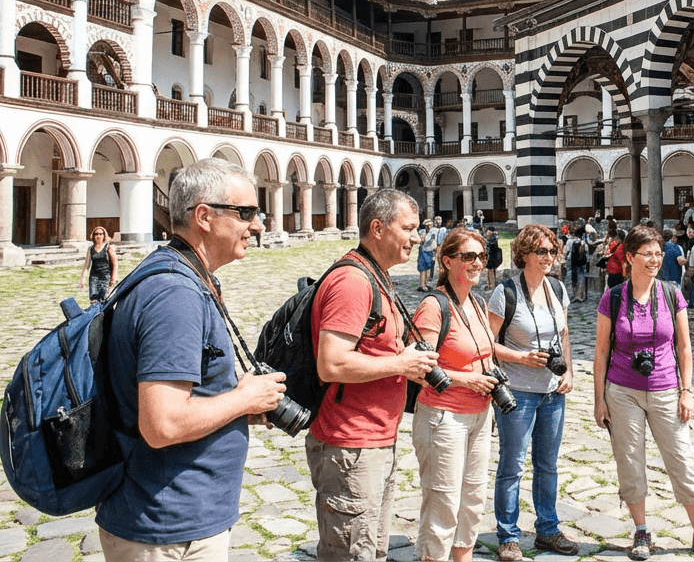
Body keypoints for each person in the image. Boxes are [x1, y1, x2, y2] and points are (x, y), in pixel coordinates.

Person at [96, 158, 288, 560]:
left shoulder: (182, 276)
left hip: (177, 517)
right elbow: (162, 423)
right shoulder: (175, 296)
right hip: (167, 526)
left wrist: (232, 407)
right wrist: (243, 399)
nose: (258, 225)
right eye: (246, 213)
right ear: (204, 216)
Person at [307, 188, 440, 561]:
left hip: (374, 440)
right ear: (378, 228)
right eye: (409, 228)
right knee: (351, 553)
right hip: (351, 444)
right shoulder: (354, 282)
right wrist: (401, 365)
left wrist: (403, 362)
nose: (417, 237)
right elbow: (331, 363)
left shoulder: (376, 274)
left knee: (372, 551)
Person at [593, 226, 694, 561]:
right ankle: (641, 531)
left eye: (658, 253)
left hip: (667, 388)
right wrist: (599, 399)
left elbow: (683, 347)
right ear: (629, 257)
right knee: (630, 461)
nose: (654, 259)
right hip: (622, 391)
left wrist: (687, 391)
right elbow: (600, 352)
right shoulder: (612, 298)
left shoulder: (671, 293)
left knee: (681, 459)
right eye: (647, 254)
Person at [487, 225, 579, 561]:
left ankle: (548, 530)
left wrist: (568, 369)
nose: (548, 257)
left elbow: (565, 332)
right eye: (541, 251)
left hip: (552, 392)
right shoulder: (505, 293)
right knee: (512, 465)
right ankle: (508, 536)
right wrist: (522, 358)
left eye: (552, 251)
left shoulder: (556, 288)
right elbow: (488, 344)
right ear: (524, 253)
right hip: (519, 392)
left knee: (548, 464)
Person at [412, 228, 499, 562]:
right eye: (468, 256)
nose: (477, 263)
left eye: (481, 256)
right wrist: (467, 381)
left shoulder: (476, 303)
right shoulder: (434, 307)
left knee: (473, 499)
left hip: (480, 415)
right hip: (444, 417)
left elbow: (484, 352)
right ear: (447, 261)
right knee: (443, 502)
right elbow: (420, 367)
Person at [79, 225, 117, 302]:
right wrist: (83, 278)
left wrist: (113, 278)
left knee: (104, 299)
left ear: (104, 235)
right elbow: (87, 265)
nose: (98, 236)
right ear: (93, 236)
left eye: (100, 234)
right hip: (94, 277)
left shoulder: (108, 247)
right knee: (93, 298)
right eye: (96, 234)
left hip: (105, 276)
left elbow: (115, 263)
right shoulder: (90, 249)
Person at [659, 229, 685, 294]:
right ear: (671, 237)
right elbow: (681, 262)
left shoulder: (658, 247)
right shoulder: (677, 248)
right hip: (674, 280)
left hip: (661, 280)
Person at [418, 218, 439, 291]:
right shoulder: (423, 231)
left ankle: (426, 284)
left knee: (429, 268)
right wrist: (422, 238)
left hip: (430, 251)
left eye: (430, 225)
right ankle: (422, 285)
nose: (429, 226)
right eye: (428, 225)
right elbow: (422, 241)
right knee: (423, 268)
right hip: (423, 251)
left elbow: (435, 240)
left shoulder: (434, 231)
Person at [485, 226, 504, 291]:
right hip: (490, 255)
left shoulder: (493, 237)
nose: (487, 232)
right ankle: (489, 284)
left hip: (492, 255)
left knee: (491, 270)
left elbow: (489, 244)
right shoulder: (492, 236)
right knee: (489, 270)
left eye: (488, 231)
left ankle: (492, 285)